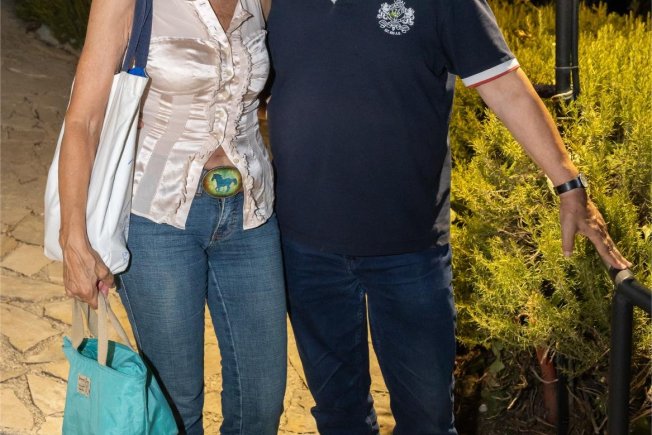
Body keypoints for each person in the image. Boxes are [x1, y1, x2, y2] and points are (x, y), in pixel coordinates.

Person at [266, 0, 631, 433]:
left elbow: (506, 86)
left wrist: (570, 185)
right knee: (337, 415)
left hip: (409, 249)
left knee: (428, 420)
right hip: (305, 246)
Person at [57, 0, 286, 433]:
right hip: (157, 219)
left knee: (262, 399)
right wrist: (75, 240)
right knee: (178, 405)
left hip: (251, 214)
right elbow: (83, 121)